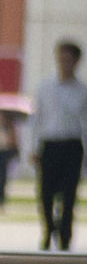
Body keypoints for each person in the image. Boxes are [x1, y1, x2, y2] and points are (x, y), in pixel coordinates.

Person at [38, 41, 87, 252]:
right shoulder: (45, 87)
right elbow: (36, 119)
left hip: (72, 145)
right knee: (46, 193)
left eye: (69, 60)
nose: (64, 64)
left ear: (76, 62)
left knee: (69, 194)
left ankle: (65, 235)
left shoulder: (82, 91)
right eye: (61, 59)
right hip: (50, 144)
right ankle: (49, 228)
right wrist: (32, 148)